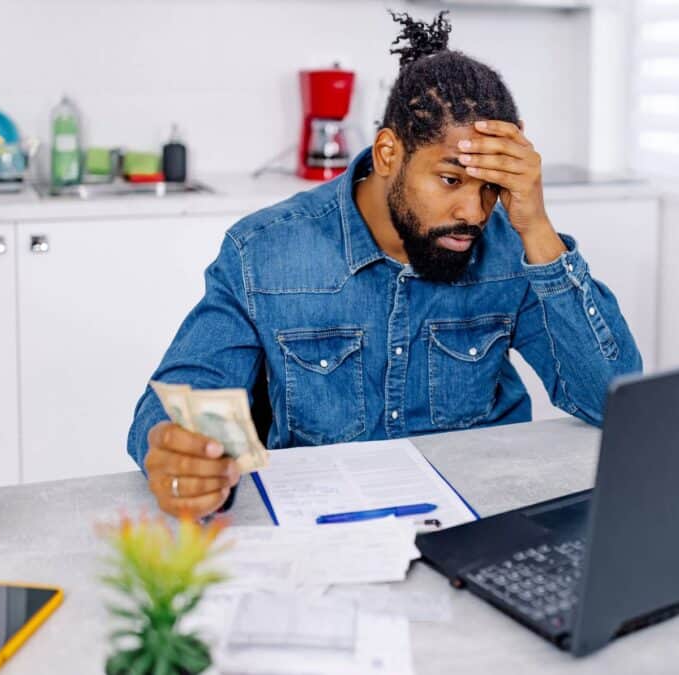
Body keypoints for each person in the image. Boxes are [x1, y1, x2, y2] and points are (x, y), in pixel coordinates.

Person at [126, 11, 642, 518]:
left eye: (491, 188)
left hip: (481, 525)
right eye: (450, 180)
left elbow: (611, 401)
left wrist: (538, 229)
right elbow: (180, 398)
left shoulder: (513, 248)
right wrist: (177, 451)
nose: (474, 212)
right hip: (327, 533)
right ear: (389, 152)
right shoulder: (263, 251)